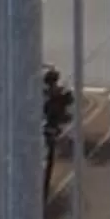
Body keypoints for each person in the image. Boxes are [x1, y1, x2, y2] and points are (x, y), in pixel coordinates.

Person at [42, 66, 75, 206]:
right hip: (51, 129)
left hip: (46, 128)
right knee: (48, 159)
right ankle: (43, 191)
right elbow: (69, 101)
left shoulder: (45, 94)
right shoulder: (59, 92)